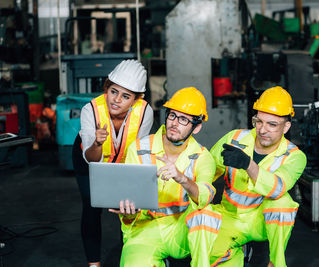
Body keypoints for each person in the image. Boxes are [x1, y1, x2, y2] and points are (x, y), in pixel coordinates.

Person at [109, 87, 221, 267]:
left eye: (184, 119)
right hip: (145, 228)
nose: (175, 123)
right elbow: (129, 195)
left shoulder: (202, 157)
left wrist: (182, 178)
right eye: (172, 115)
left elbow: (205, 196)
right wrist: (128, 212)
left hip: (182, 229)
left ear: (197, 127)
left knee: (207, 215)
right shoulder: (138, 148)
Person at [209, 86, 307, 267]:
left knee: (282, 202)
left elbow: (277, 188)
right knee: (208, 255)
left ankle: (275, 263)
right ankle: (238, 252)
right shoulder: (235, 139)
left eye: (272, 124)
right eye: (259, 121)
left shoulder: (294, 156)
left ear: (286, 127)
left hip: (261, 221)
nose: (262, 130)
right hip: (230, 217)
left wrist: (248, 164)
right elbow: (206, 170)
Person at [72, 59, 154, 267]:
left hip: (127, 159)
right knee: (92, 206)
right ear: (107, 88)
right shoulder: (89, 110)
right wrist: (98, 143)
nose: (116, 100)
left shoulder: (145, 113)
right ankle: (94, 264)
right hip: (89, 156)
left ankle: (129, 258)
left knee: (128, 206)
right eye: (113, 91)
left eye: (125, 96)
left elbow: (137, 154)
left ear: (136, 99)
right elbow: (91, 159)